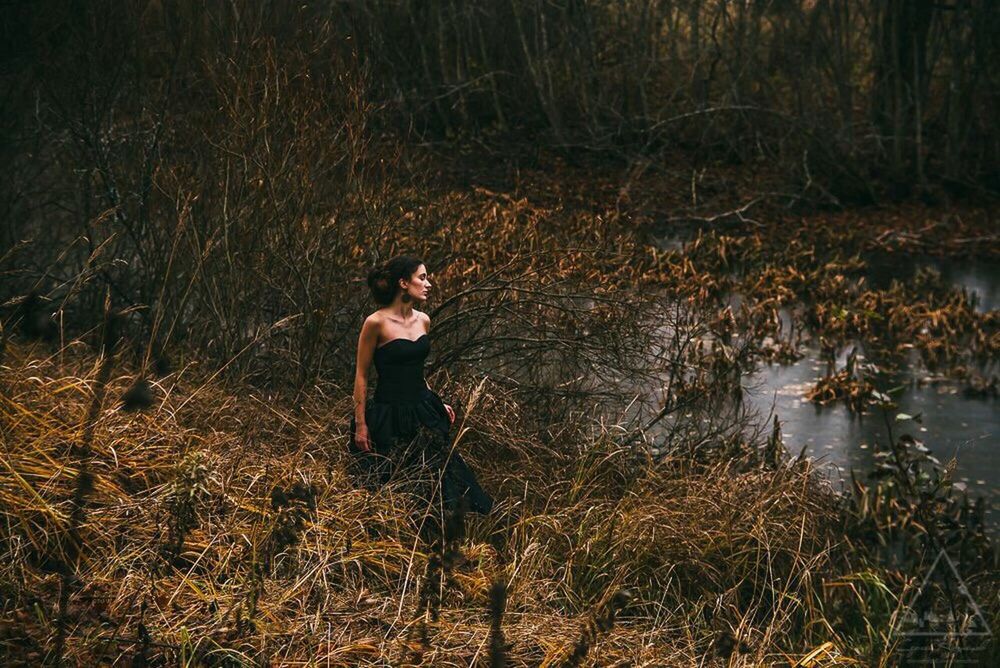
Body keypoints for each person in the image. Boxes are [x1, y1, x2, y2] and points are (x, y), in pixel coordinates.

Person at [349, 254, 493, 516]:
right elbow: (361, 375)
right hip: (389, 412)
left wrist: (436, 401)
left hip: (422, 408)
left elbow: (414, 370)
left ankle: (443, 532)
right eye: (422, 278)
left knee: (439, 475)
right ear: (404, 283)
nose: (428, 284)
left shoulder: (423, 320)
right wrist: (361, 424)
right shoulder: (376, 323)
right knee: (394, 481)